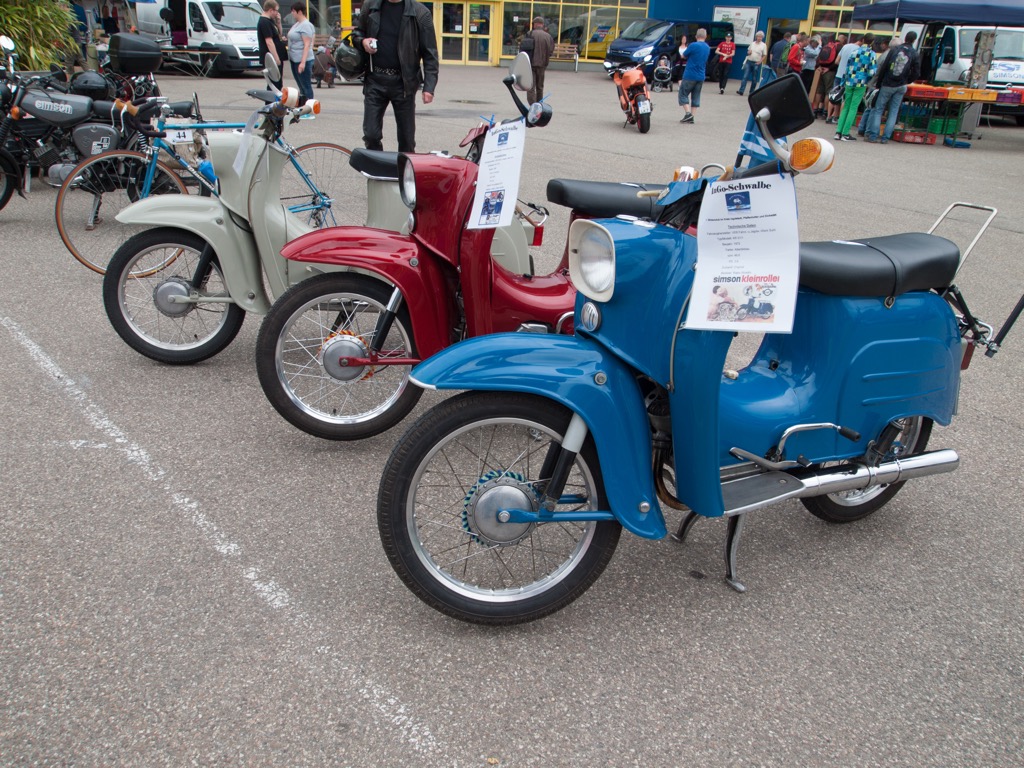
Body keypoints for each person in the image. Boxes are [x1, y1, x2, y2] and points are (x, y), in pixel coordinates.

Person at [353, 0, 439, 153]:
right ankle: (379, 171)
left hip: (404, 83)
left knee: (406, 140)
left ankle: (404, 174)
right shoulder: (371, 6)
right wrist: (363, 41)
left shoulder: (420, 13)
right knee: (371, 135)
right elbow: (357, 33)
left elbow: (430, 53)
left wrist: (429, 87)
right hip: (375, 80)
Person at [865, 30, 920, 143]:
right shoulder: (914, 53)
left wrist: (879, 83)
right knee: (893, 111)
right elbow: (916, 72)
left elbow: (884, 67)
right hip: (901, 85)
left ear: (905, 38)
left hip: (888, 83)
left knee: (878, 109)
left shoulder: (895, 50)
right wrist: (907, 80)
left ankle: (873, 136)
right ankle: (886, 137)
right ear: (914, 40)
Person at [835, 33, 877, 142]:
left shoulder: (854, 52)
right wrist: (866, 79)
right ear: (872, 42)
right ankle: (845, 133)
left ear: (863, 40)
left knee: (846, 106)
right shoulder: (871, 54)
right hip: (861, 83)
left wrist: (844, 82)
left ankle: (838, 131)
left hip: (849, 81)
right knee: (853, 107)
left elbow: (847, 68)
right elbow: (872, 71)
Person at [677, 28, 710, 124]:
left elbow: (683, 55)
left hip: (690, 74)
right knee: (696, 96)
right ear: (705, 36)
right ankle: (692, 116)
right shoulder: (707, 47)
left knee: (683, 93)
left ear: (696, 36)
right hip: (701, 75)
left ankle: (688, 114)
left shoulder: (693, 45)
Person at [286, 3, 315, 105]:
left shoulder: (306, 25)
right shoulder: (297, 24)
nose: (292, 13)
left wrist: (302, 63)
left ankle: (310, 107)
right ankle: (303, 106)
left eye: (293, 11)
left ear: (299, 11)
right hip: (294, 58)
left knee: (306, 85)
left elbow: (307, 44)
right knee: (301, 85)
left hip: (303, 60)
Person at [827, 34, 860, 124]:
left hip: (838, 74)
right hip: (847, 77)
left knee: (834, 95)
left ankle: (828, 116)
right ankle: (839, 118)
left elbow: (837, 61)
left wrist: (841, 66)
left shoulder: (845, 46)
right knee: (843, 98)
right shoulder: (858, 50)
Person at [523, 16, 554, 105]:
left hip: (531, 64)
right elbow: (551, 51)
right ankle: (540, 105)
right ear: (542, 25)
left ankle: (532, 105)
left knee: (531, 87)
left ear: (535, 24)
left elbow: (524, 49)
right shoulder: (548, 36)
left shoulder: (530, 34)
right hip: (542, 64)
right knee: (540, 87)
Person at [812, 33, 844, 118]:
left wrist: (819, 67)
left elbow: (818, 58)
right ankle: (825, 112)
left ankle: (815, 110)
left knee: (819, 91)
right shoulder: (840, 47)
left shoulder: (827, 46)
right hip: (830, 72)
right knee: (828, 91)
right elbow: (837, 62)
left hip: (820, 70)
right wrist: (829, 68)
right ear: (843, 41)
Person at [257, 0, 285, 90]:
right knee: (274, 84)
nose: (277, 13)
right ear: (270, 10)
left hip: (276, 55)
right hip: (271, 58)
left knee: (279, 83)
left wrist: (279, 22)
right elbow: (269, 41)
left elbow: (279, 35)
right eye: (276, 10)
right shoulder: (264, 22)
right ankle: (271, 102)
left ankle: (276, 102)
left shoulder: (271, 21)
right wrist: (276, 58)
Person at [736, 30, 767, 95]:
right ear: (756, 37)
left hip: (756, 63)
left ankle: (752, 91)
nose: (759, 38)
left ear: (762, 38)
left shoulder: (763, 45)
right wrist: (748, 52)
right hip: (749, 61)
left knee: (754, 78)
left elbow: (764, 55)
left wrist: (760, 62)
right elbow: (748, 51)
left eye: (761, 37)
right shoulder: (752, 43)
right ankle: (741, 90)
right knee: (745, 76)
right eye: (758, 36)